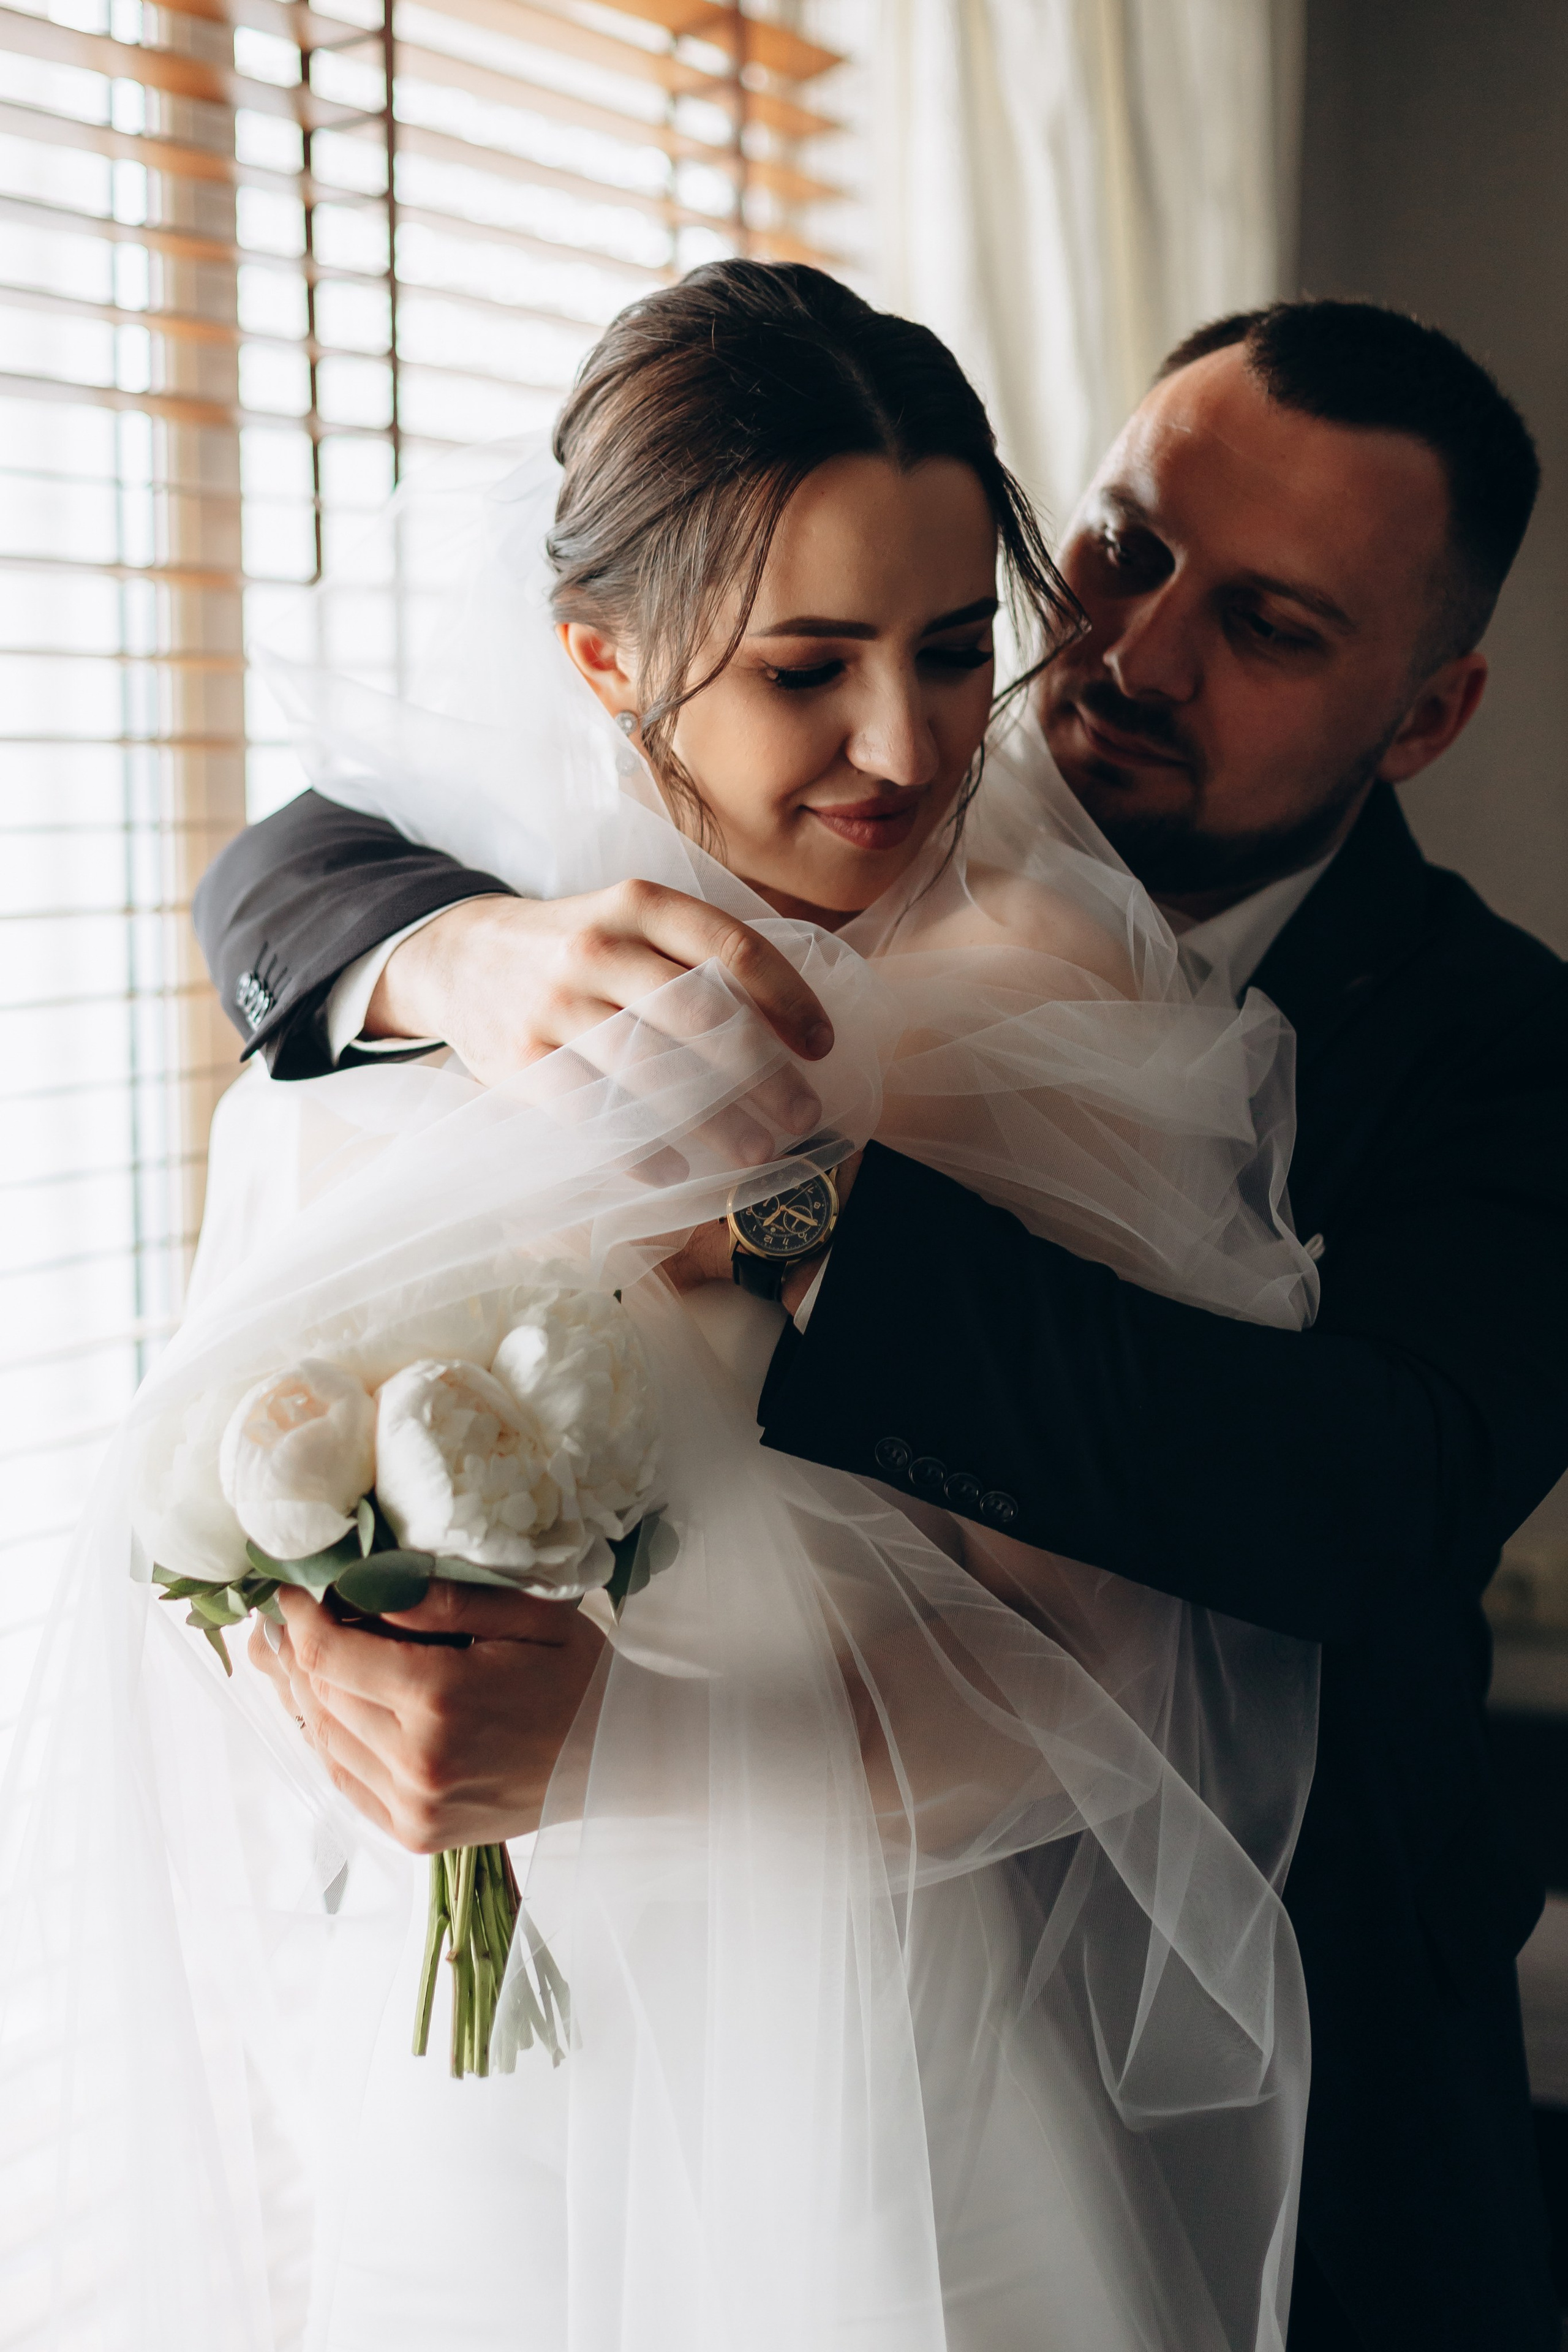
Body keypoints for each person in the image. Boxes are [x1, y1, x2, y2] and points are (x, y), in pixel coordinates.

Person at [198, 293, 1568, 2351]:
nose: (1128, 656)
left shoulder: (1506, 1058)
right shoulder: (795, 804)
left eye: (1272, 628)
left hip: (1271, 2015)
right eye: (1117, 551)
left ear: (1428, 713)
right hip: (577, 2044)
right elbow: (300, 860)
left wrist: (791, 1197)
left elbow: (1351, 1497)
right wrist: (458, 957)